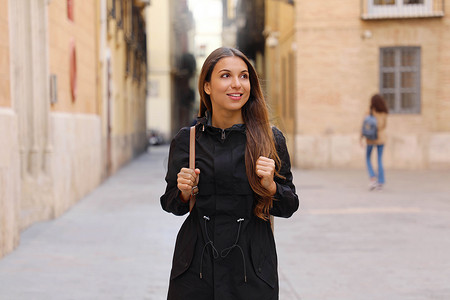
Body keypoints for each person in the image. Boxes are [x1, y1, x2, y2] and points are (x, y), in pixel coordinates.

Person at [160, 47, 299, 300]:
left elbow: (289, 205)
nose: (237, 84)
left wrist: (270, 187)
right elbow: (172, 205)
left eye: (244, 76)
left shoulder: (270, 139)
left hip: (252, 269)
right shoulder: (187, 140)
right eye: (226, 76)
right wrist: (182, 193)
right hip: (195, 270)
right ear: (207, 86)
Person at [360, 94, 388, 190]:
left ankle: (373, 179)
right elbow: (384, 125)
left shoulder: (369, 111)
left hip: (370, 138)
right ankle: (380, 182)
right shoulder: (384, 112)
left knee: (368, 158)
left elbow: (364, 125)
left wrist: (361, 138)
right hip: (381, 138)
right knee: (379, 159)